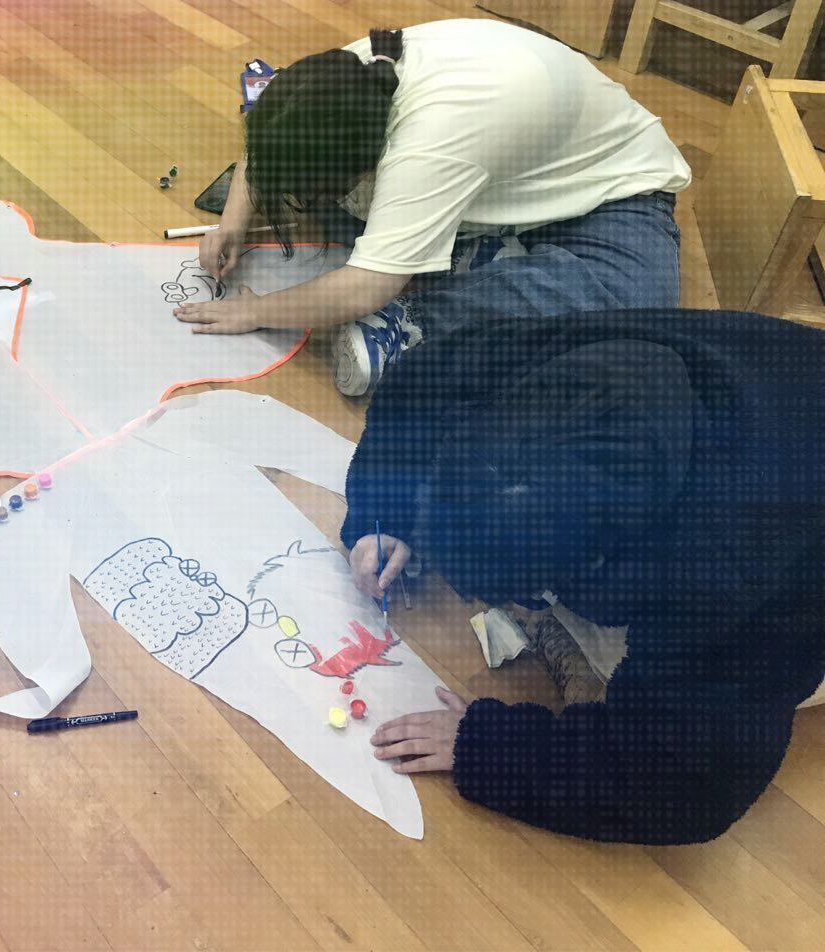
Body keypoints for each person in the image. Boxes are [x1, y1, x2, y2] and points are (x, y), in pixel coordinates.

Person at [338, 308, 825, 844]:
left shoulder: (718, 574)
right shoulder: (571, 359)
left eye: (532, 591)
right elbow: (421, 381)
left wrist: (488, 746)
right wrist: (385, 514)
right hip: (781, 392)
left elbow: (687, 789)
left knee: (644, 683)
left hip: (787, 539)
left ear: (604, 560)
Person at [172, 18, 692, 396]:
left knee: (632, 300)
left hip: (608, 194)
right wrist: (232, 224)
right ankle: (473, 252)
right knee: (337, 211)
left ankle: (408, 324)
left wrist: (256, 311)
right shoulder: (342, 79)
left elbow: (364, 287)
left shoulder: (428, 146)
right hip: (499, 175)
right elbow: (263, 135)